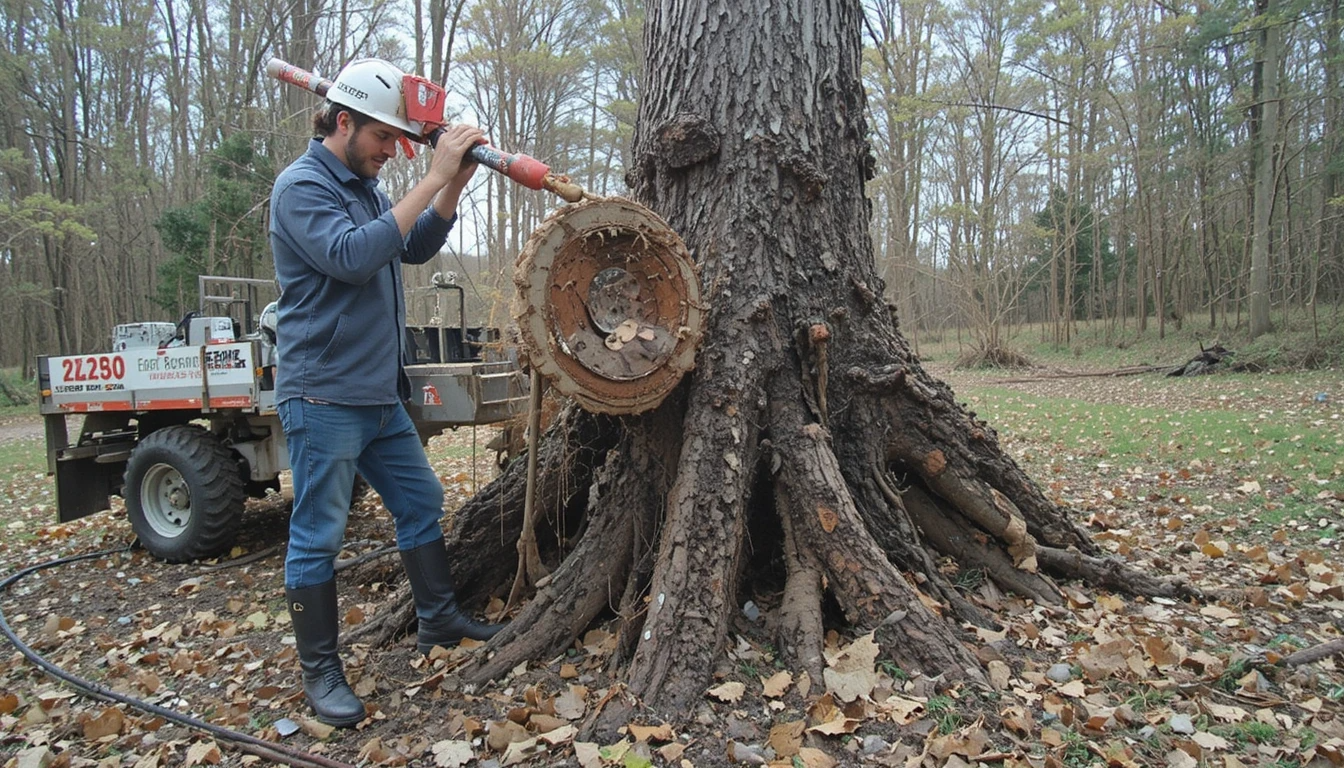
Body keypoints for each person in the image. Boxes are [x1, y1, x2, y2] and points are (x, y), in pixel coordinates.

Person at [269, 57, 502, 728]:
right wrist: (429, 175)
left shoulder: (366, 186)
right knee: (319, 533)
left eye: (401, 145)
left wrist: (450, 188)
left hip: (375, 391)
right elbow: (352, 255)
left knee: (420, 500)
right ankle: (321, 673)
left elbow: (411, 245)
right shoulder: (302, 186)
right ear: (343, 123)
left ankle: (438, 620)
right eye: (382, 140)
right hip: (323, 392)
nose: (390, 155)